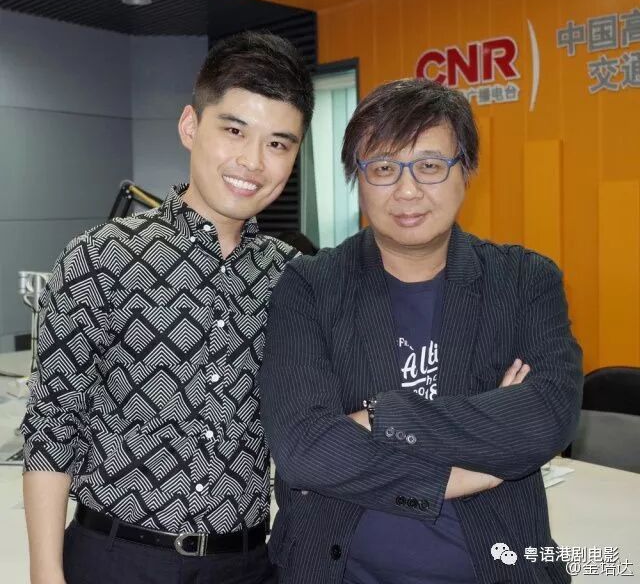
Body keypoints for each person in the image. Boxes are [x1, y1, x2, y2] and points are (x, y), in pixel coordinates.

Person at [259, 78, 583, 584]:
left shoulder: (524, 281)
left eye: (430, 166)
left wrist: (380, 418)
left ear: (466, 170)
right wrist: (471, 469)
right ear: (358, 177)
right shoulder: (311, 286)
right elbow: (304, 450)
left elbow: (546, 419)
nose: (407, 191)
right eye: (383, 168)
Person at [21, 31, 314, 584]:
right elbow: (53, 425)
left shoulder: (293, 277)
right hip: (117, 558)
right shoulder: (100, 256)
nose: (253, 161)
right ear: (190, 126)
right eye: (234, 130)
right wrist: (45, 573)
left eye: (278, 144)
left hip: (245, 564)